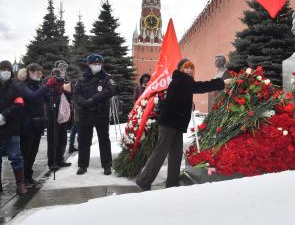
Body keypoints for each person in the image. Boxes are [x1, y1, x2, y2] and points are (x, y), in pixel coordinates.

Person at [136, 58, 230, 191]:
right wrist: (220, 83)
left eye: (191, 68)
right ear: (181, 69)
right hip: (170, 123)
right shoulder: (182, 79)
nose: (190, 70)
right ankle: (144, 180)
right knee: (160, 152)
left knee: (176, 153)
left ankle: (172, 183)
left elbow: (177, 98)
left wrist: (188, 105)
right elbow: (200, 87)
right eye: (187, 67)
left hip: (176, 123)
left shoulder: (181, 80)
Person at [73, 54, 116, 175]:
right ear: (89, 65)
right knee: (84, 141)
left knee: (104, 140)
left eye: (99, 64)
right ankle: (82, 165)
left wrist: (92, 100)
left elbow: (110, 91)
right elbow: (76, 95)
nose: (97, 66)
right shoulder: (82, 79)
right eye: (94, 64)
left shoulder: (107, 78)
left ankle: (107, 165)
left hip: (101, 113)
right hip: (86, 114)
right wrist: (84, 103)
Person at [20, 63, 50, 184]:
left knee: (33, 151)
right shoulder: (23, 85)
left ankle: (28, 175)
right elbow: (32, 97)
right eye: (37, 73)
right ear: (30, 72)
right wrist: (46, 86)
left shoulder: (38, 85)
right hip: (26, 125)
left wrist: (54, 88)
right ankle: (22, 177)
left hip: (38, 123)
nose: (39, 75)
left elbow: (46, 98)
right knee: (25, 152)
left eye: (40, 73)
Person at [0, 60, 27, 195]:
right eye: (3, 69)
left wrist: (4, 116)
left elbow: (19, 104)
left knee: (15, 156)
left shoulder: (16, 88)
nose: (5, 71)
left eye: (8, 69)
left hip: (12, 128)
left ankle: (20, 184)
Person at [45, 60, 72, 171]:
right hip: (53, 113)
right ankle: (52, 162)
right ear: (56, 70)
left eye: (64, 69)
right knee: (53, 138)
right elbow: (45, 95)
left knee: (62, 138)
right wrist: (58, 89)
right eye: (61, 69)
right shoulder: (48, 80)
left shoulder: (66, 80)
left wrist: (69, 90)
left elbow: (70, 97)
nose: (63, 71)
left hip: (63, 114)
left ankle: (60, 159)